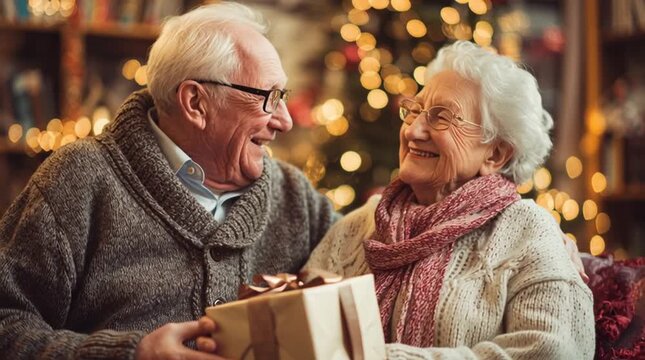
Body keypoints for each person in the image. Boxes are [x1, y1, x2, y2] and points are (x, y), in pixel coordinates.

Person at [0, 3, 338, 359]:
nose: (285, 121)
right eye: (269, 98)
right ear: (196, 103)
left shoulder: (296, 196)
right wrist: (130, 354)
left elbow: (370, 271)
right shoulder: (78, 181)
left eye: (282, 97)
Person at [302, 41, 596, 359]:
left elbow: (554, 351)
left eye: (441, 118)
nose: (413, 131)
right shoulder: (361, 224)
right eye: (414, 111)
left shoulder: (528, 230)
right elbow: (298, 324)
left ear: (495, 154)